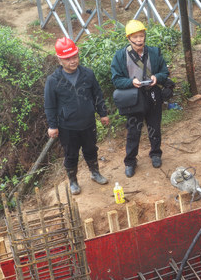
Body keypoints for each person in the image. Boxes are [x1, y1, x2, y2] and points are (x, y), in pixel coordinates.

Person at [44, 37, 110, 195]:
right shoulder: (53, 81)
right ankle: (73, 181)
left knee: (91, 149)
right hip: (67, 126)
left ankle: (95, 173)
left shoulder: (87, 74)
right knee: (71, 154)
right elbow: (50, 105)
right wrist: (52, 126)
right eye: (68, 58)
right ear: (60, 60)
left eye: (74, 57)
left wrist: (103, 113)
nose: (72, 61)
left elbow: (97, 95)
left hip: (88, 123)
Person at [111, 19, 169, 177]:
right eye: (135, 37)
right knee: (133, 131)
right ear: (128, 38)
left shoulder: (154, 52)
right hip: (133, 98)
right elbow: (116, 79)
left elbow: (165, 72)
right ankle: (130, 161)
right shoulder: (120, 56)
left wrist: (157, 77)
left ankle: (156, 154)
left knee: (154, 127)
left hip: (152, 95)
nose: (139, 40)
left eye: (141, 36)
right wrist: (131, 82)